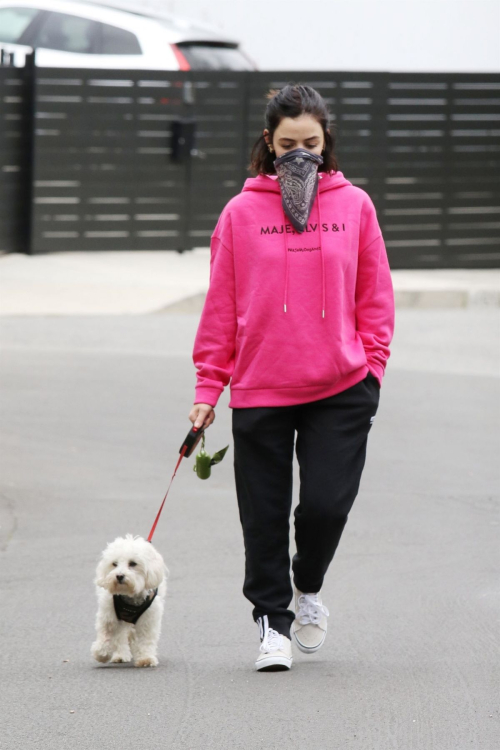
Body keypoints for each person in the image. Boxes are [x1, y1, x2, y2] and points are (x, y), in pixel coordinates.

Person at [188, 83, 395, 672]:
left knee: (326, 506)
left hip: (341, 386)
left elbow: (375, 295)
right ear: (268, 143)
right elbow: (221, 306)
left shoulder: (354, 206)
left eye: (311, 141)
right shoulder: (240, 212)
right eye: (287, 144)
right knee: (264, 515)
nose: (299, 153)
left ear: (325, 140)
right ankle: (272, 622)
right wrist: (209, 388)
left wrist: (371, 368)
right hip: (261, 385)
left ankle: (309, 588)